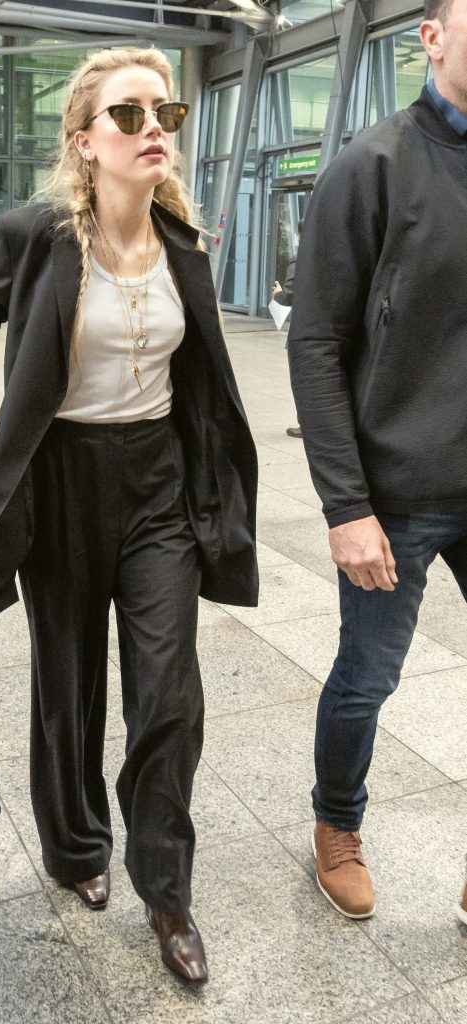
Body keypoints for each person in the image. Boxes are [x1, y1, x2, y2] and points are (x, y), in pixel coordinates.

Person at [0, 47, 258, 983]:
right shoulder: (36, 235)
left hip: (157, 484)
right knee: (67, 681)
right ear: (83, 141)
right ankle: (78, 849)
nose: (152, 127)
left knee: (168, 694)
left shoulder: (181, 244)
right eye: (127, 114)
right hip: (63, 479)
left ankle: (167, 892)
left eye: (165, 112)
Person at [288, 0, 467, 922]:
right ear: (430, 37)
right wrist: (344, 506)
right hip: (396, 493)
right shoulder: (372, 164)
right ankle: (336, 823)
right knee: (366, 679)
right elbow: (315, 342)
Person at [272, 220, 304, 438]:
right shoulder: (334, 254)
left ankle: (306, 425)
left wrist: (277, 294)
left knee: (302, 379)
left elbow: (288, 296)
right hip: (335, 327)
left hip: (304, 331)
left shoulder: (300, 257)